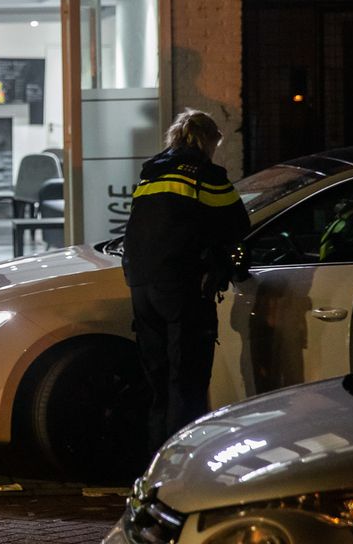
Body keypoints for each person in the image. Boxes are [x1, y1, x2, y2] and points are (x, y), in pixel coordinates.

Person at [121, 108, 250, 452]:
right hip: (181, 286)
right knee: (187, 378)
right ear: (207, 141)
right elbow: (238, 225)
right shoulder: (205, 176)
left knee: (159, 381)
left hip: (141, 285)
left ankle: (154, 459)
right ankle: (182, 462)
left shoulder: (151, 175)